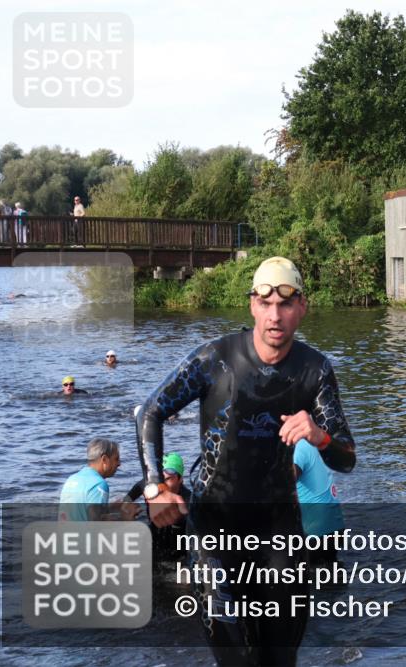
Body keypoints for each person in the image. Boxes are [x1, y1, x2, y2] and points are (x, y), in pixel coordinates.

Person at [136, 256, 356, 667]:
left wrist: (319, 434)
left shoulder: (315, 371)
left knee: (279, 659)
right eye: (266, 303)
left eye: (286, 305)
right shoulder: (213, 360)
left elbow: (347, 458)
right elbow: (150, 412)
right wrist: (154, 487)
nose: (276, 316)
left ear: (302, 307)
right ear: (252, 304)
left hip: (279, 531)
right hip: (214, 531)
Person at [123, 451, 191, 561]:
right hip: (154, 541)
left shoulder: (188, 500)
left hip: (179, 549)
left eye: (168, 479)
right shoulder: (150, 486)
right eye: (160, 478)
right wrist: (125, 510)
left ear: (180, 479)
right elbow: (128, 499)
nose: (162, 484)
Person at [59, 438, 139, 521]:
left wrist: (111, 507)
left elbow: (82, 511)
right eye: (116, 459)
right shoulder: (99, 485)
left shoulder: (72, 479)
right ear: (104, 459)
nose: (119, 464)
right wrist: (125, 519)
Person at [294, 438, 345, 567]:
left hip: (314, 533)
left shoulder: (296, 448)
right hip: (335, 527)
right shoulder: (314, 442)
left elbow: (285, 483)